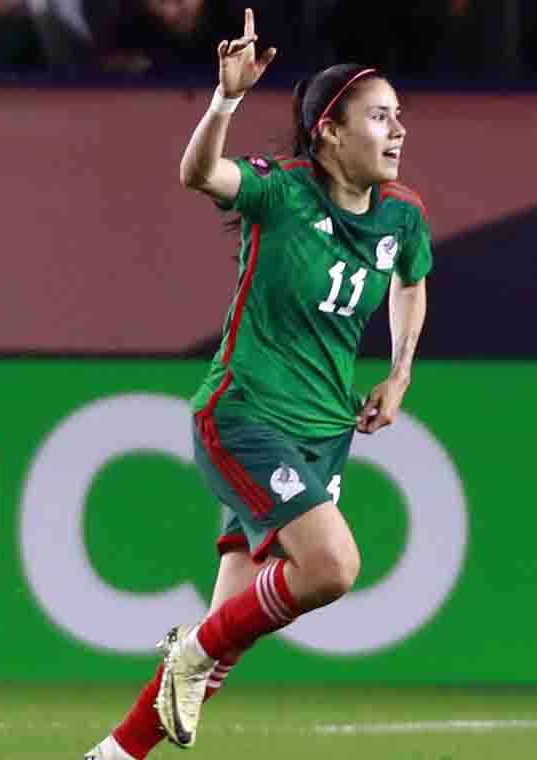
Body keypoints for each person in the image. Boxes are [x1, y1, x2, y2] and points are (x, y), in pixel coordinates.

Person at [83, 8, 431, 759]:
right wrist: (226, 99)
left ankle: (114, 753)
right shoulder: (280, 193)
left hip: (322, 432)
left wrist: (399, 372)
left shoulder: (402, 218)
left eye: (400, 116)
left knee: (217, 654)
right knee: (331, 568)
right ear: (329, 132)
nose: (398, 130)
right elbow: (198, 173)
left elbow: (410, 282)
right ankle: (192, 653)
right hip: (244, 414)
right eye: (379, 117)